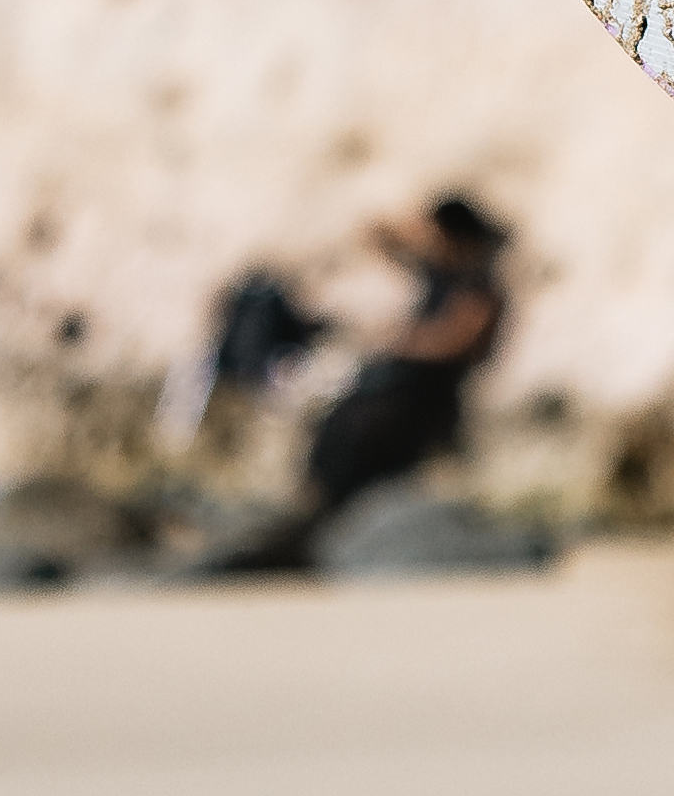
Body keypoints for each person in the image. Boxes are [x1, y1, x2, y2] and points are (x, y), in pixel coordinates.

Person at [197, 192, 516, 569]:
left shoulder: (479, 284)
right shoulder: (444, 272)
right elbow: (378, 236)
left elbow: (459, 342)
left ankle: (320, 524)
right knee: (337, 429)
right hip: (400, 390)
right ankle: (315, 516)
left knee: (354, 434)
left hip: (424, 398)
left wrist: (400, 341)